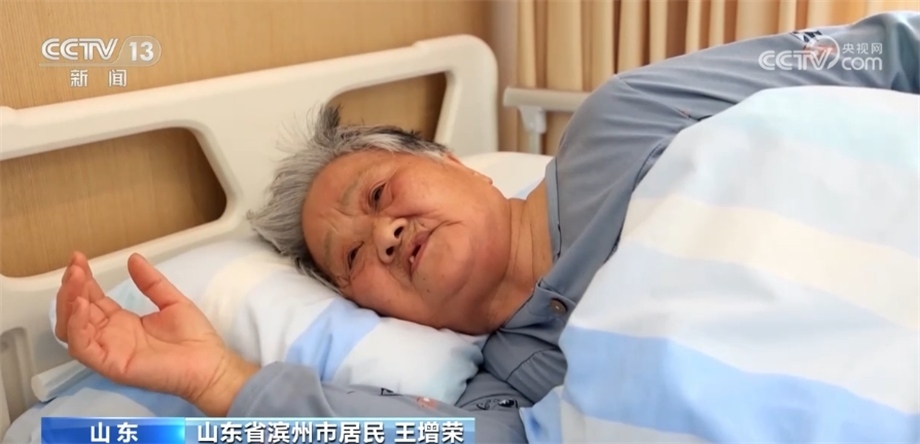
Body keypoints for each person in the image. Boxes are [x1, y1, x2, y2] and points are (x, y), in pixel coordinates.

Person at [55, 11, 918, 443]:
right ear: (381, 311)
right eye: (353, 256)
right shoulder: (508, 383)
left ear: (454, 161)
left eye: (380, 191)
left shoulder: (622, 120)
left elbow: (881, 54)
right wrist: (215, 379)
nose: (384, 234)